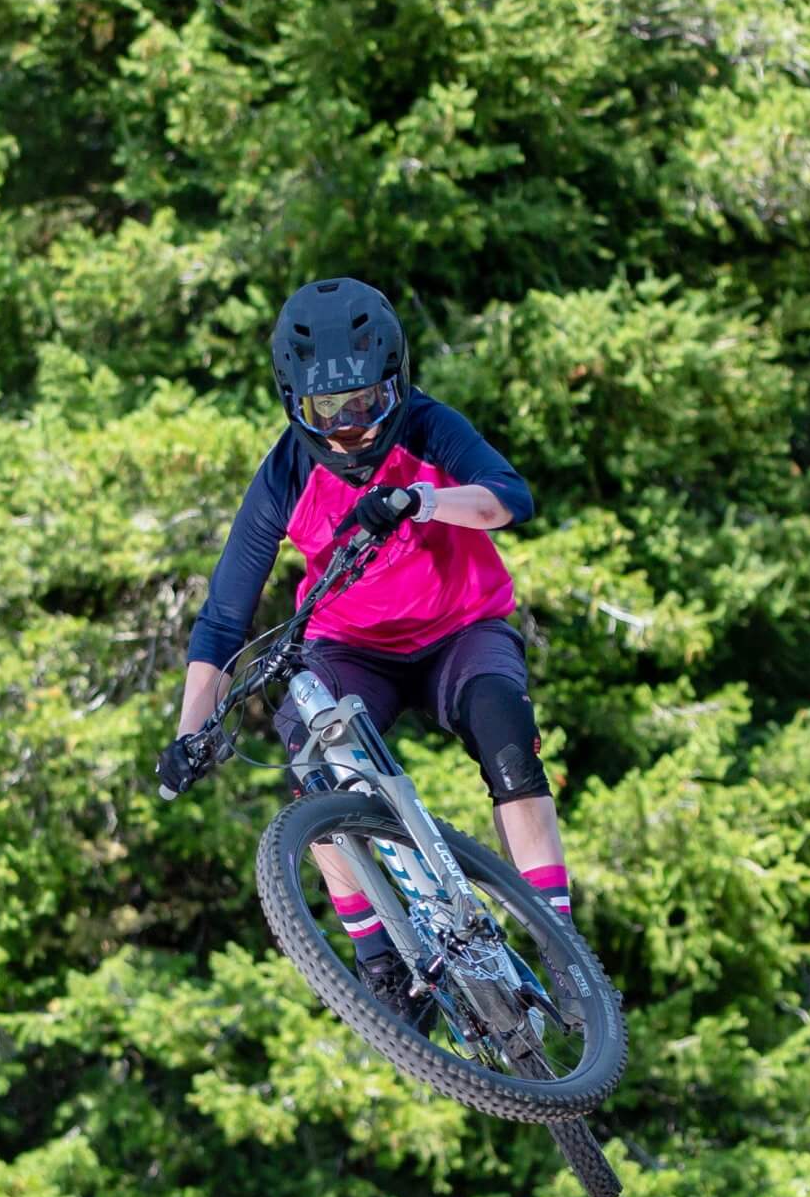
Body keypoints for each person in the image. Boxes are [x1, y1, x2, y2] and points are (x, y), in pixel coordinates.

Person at [158, 277, 568, 1027]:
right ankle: (377, 956)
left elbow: (510, 497)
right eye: (326, 412)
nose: (349, 429)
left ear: (396, 384)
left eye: (366, 405)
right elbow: (224, 617)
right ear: (293, 404)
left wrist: (423, 499)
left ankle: (560, 940)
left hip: (460, 633)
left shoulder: (428, 427)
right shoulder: (287, 470)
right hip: (353, 649)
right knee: (308, 762)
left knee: (507, 733)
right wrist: (189, 733)